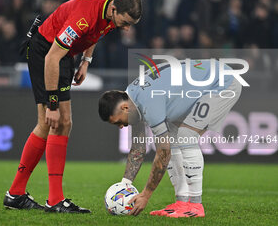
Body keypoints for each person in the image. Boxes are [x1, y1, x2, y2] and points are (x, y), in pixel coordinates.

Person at [3, 0, 142, 213]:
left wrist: (86, 60)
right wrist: (52, 105)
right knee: (54, 121)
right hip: (47, 52)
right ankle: (52, 199)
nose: (126, 28)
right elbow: (51, 58)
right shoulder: (82, 19)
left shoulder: (111, 3)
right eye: (125, 22)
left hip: (64, 54)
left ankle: (17, 194)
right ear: (115, 9)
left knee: (60, 123)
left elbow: (97, 31)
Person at [98, 59, 242, 216]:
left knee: (186, 136)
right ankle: (181, 202)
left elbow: (163, 154)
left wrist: (146, 195)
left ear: (124, 108)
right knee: (173, 135)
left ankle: (195, 206)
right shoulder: (131, 96)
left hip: (223, 83)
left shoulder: (148, 102)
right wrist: (125, 184)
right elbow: (138, 147)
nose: (120, 126)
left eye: (118, 122)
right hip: (207, 79)